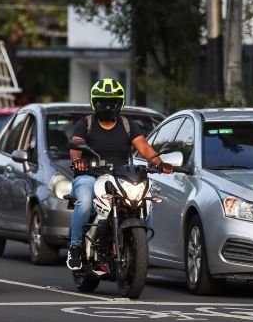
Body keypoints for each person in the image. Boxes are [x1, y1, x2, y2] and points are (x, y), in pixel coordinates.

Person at [66, 78, 173, 271]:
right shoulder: (86, 124)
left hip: (120, 177)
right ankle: (75, 247)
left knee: (145, 200)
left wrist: (159, 163)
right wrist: (77, 161)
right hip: (89, 175)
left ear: (120, 103)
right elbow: (76, 144)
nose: (108, 106)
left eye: (112, 102)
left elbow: (144, 148)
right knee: (84, 199)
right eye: (102, 102)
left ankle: (138, 248)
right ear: (94, 102)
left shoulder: (128, 125)